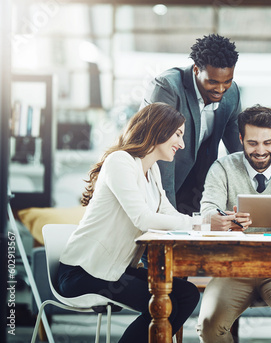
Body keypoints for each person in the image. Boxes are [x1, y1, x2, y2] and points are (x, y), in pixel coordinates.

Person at [57, 103, 200, 342]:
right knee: (165, 303)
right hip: (84, 273)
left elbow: (169, 214)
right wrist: (197, 225)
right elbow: (142, 218)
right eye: (178, 134)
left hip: (114, 272)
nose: (182, 144)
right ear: (159, 129)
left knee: (187, 295)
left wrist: (206, 223)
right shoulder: (119, 161)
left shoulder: (152, 170)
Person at [196, 105, 271, 343]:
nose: (260, 151)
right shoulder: (222, 167)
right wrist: (224, 221)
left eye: (267, 143)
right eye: (252, 143)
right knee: (209, 326)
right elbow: (207, 211)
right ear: (240, 139)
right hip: (232, 269)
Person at [141, 34, 242, 214]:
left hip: (197, 185)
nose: (221, 89)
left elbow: (238, 151)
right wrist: (169, 217)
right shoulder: (167, 88)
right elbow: (160, 156)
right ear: (196, 69)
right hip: (161, 177)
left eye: (227, 81)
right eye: (213, 82)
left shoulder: (232, 93)